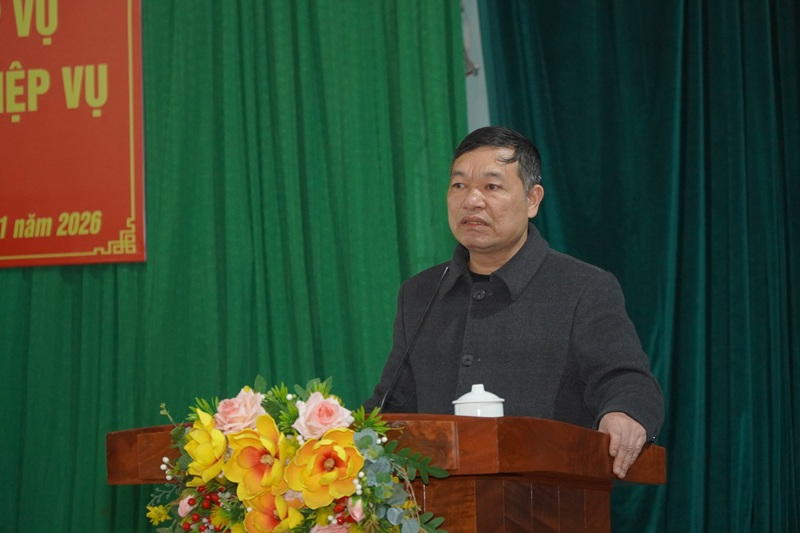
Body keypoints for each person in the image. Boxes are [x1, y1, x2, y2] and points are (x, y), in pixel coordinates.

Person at [364, 126, 664, 478]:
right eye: (459, 185)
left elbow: (625, 379)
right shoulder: (420, 293)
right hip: (436, 505)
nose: (472, 200)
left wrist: (624, 412)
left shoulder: (583, 287)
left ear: (532, 199)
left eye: (492, 187)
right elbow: (391, 405)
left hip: (550, 498)